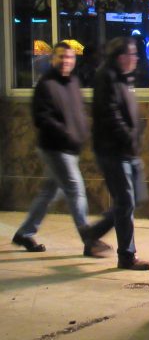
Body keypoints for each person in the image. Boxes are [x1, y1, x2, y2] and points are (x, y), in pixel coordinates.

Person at [12, 42, 109, 257]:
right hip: (54, 147)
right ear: (53, 59)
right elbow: (42, 118)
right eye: (61, 57)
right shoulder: (45, 85)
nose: (66, 61)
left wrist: (82, 133)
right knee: (75, 188)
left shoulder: (73, 81)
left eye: (70, 58)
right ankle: (89, 237)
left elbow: (79, 113)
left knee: (49, 192)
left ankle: (24, 233)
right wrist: (68, 134)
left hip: (70, 147)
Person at [85, 37, 149, 271]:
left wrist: (136, 131)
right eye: (132, 54)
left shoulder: (122, 78)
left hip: (125, 149)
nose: (136, 58)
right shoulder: (108, 78)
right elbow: (110, 114)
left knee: (132, 200)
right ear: (121, 57)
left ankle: (92, 234)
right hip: (113, 150)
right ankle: (127, 255)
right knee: (125, 202)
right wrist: (128, 136)